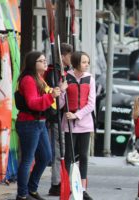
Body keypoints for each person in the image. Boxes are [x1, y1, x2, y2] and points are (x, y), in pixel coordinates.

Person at [15, 51, 67, 200]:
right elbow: (33, 102)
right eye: (41, 61)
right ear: (33, 63)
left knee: (45, 157)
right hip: (29, 122)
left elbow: (48, 94)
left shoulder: (39, 78)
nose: (45, 63)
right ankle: (22, 194)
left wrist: (58, 90)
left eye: (45, 60)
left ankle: (31, 189)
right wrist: (52, 95)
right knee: (27, 159)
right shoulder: (28, 80)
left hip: (40, 122)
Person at [59, 51, 95, 200]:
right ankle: (68, 187)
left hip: (85, 124)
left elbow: (91, 104)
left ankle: (82, 189)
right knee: (69, 157)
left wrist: (77, 115)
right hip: (69, 125)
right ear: (76, 63)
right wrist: (62, 90)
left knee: (84, 157)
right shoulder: (66, 78)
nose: (87, 65)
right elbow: (60, 104)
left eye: (88, 62)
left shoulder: (90, 78)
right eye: (84, 62)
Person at [44, 43, 73, 196]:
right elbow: (55, 92)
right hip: (56, 115)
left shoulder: (64, 71)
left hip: (64, 115)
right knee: (58, 151)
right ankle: (56, 183)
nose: (72, 59)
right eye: (70, 56)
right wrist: (62, 87)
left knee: (64, 149)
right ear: (63, 56)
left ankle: (62, 180)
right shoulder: (53, 71)